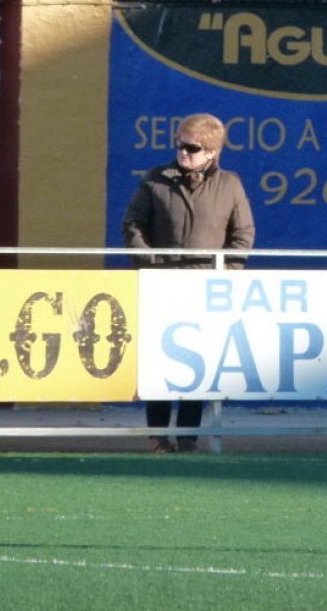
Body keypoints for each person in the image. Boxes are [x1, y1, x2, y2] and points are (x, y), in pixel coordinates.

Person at [122, 113, 256, 453]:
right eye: (180, 145)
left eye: (192, 147)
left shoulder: (230, 185)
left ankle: (188, 436)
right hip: (161, 286)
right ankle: (158, 436)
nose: (183, 152)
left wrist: (226, 273)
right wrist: (150, 263)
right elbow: (133, 225)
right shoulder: (155, 180)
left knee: (199, 365)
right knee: (158, 362)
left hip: (206, 289)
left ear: (211, 152)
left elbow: (243, 236)